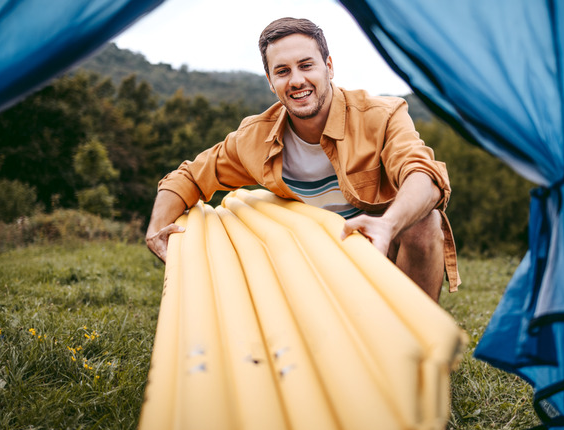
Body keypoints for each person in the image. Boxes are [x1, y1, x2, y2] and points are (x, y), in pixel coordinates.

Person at [145, 17, 459, 302]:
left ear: (329, 67)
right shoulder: (254, 137)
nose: (296, 80)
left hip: (379, 251)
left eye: (306, 65)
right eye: (282, 71)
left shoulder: (382, 116)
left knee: (425, 222)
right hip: (310, 263)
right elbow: (188, 176)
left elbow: (423, 175)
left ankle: (414, 347)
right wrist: (157, 228)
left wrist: (387, 225)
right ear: (270, 81)